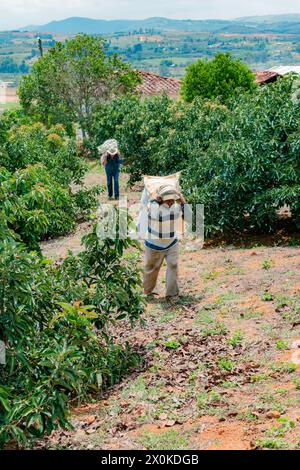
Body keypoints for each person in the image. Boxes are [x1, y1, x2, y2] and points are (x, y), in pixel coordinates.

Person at [139, 184, 192, 298]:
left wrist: (182, 199)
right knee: (151, 269)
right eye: (167, 200)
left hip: (171, 243)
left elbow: (189, 218)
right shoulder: (153, 207)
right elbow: (146, 202)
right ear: (161, 199)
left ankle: (172, 294)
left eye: (172, 200)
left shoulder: (176, 207)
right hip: (154, 245)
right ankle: (147, 292)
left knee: (173, 265)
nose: (170, 203)